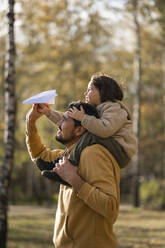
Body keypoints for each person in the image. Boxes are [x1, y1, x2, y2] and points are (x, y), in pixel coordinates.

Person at [26, 101, 120, 248]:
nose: (58, 123)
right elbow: (40, 156)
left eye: (64, 120)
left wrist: (74, 179)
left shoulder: (93, 154)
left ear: (79, 130)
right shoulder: (69, 155)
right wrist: (30, 122)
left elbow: (111, 208)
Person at [37, 74, 137, 176]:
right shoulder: (98, 109)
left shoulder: (114, 108)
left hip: (121, 151)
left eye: (90, 90)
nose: (85, 93)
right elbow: (68, 120)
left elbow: (105, 129)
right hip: (112, 144)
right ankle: (59, 165)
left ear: (103, 92)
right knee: (84, 132)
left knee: (89, 136)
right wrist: (48, 112)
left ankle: (66, 167)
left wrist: (83, 118)